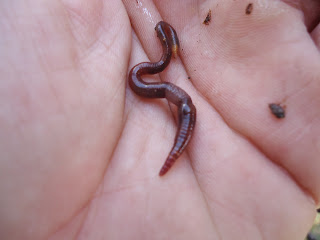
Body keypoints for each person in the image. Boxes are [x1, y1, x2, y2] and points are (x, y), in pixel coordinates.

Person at [0, 1, 319, 239]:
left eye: (166, 42)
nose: (167, 50)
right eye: (168, 45)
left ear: (166, 44)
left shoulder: (151, 72)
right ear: (170, 45)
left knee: (181, 104)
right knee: (178, 102)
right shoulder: (148, 72)